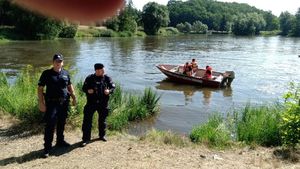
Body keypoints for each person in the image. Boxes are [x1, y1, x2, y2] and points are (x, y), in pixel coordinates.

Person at [38, 53, 77, 158]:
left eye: (60, 61)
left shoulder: (66, 73)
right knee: (50, 124)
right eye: (56, 61)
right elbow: (40, 89)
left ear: (62, 62)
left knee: (61, 123)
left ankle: (60, 141)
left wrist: (74, 97)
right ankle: (47, 147)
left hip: (64, 103)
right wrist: (41, 103)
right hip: (51, 103)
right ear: (53, 62)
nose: (58, 63)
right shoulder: (46, 73)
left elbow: (70, 86)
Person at [81, 63, 115, 147]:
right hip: (91, 103)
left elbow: (113, 87)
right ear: (97, 70)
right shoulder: (90, 78)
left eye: (103, 69)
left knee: (102, 120)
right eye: (101, 70)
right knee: (87, 121)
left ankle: (102, 135)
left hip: (103, 103)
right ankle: (85, 139)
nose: (103, 71)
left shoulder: (107, 78)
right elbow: (83, 88)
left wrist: (109, 91)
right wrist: (88, 90)